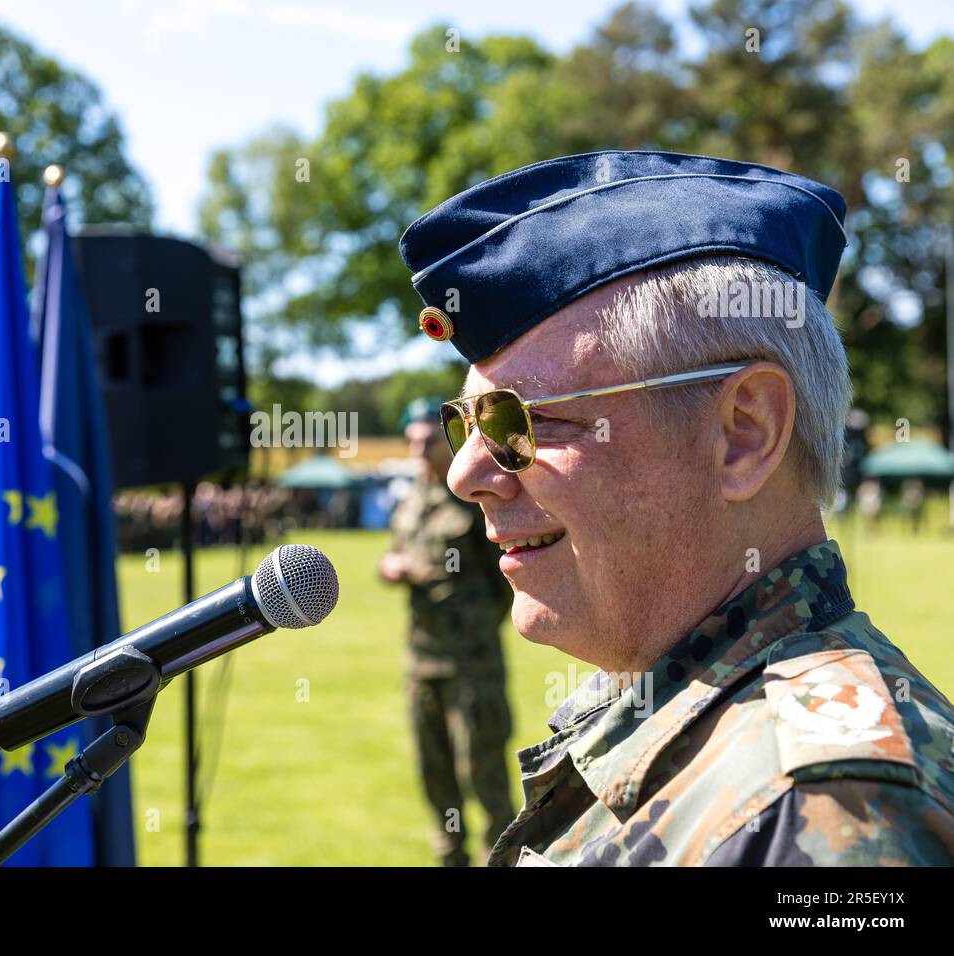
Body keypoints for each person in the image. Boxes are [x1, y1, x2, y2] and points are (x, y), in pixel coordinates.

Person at [398, 150, 954, 865]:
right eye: (463, 424)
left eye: (520, 421)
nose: (467, 473)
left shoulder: (821, 811)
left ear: (743, 434)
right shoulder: (702, 722)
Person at [379, 398, 515, 865]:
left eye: (429, 439)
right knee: (433, 770)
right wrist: (392, 568)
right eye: (413, 439)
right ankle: (451, 858)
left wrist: (476, 628)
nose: (420, 448)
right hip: (421, 657)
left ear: (449, 439)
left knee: (483, 771)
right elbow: (399, 552)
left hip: (472, 660)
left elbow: (505, 579)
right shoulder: (412, 499)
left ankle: (504, 856)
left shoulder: (473, 496)